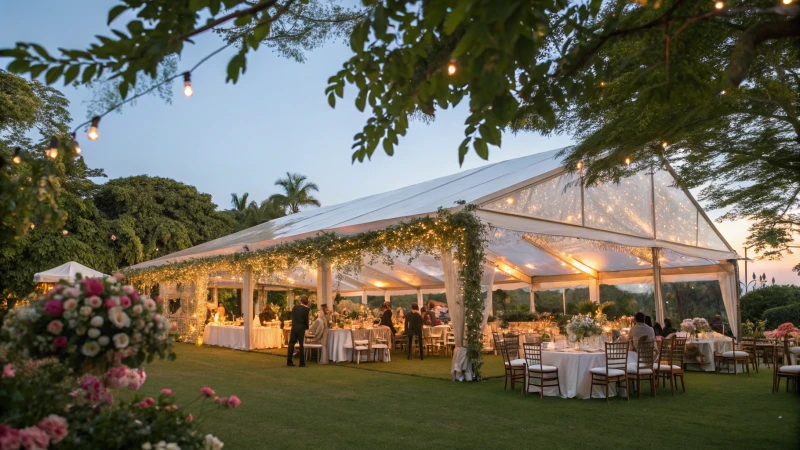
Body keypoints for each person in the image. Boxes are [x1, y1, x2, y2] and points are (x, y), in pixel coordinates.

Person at [287, 295, 310, 367]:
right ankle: (302, 363)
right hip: (301, 328)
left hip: (294, 327)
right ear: (307, 302)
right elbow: (306, 320)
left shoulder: (294, 308)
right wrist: (307, 327)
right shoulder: (306, 310)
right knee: (301, 345)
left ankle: (289, 361)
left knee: (291, 344)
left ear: (300, 301)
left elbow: (293, 317)